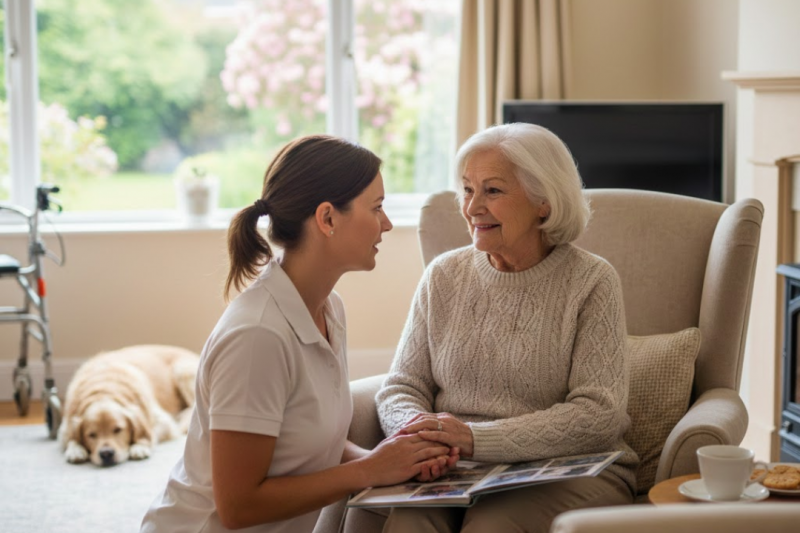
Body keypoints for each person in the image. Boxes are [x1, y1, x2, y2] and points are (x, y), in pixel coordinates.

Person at [141, 135, 457, 533]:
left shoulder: (328, 308)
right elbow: (238, 506)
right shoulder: (258, 337)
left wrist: (393, 462)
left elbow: (304, 438)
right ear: (327, 218)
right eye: (376, 208)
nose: (387, 223)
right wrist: (370, 470)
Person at [345, 123, 638, 533]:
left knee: (491, 526)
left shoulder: (590, 280)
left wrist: (474, 439)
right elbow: (402, 385)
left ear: (544, 202)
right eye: (468, 189)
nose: (472, 207)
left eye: (493, 191)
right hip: (454, 467)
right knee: (410, 524)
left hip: (567, 469)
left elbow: (598, 415)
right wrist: (419, 440)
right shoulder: (444, 275)